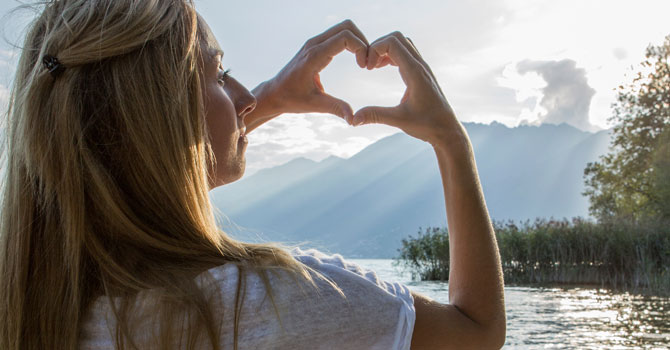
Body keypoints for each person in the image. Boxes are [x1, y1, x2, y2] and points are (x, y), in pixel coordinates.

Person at [0, 0, 506, 349]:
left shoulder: (24, 306)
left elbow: (129, 160)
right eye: (220, 74)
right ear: (161, 119)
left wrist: (263, 102)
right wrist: (451, 142)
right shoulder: (279, 304)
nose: (244, 98)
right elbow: (476, 331)